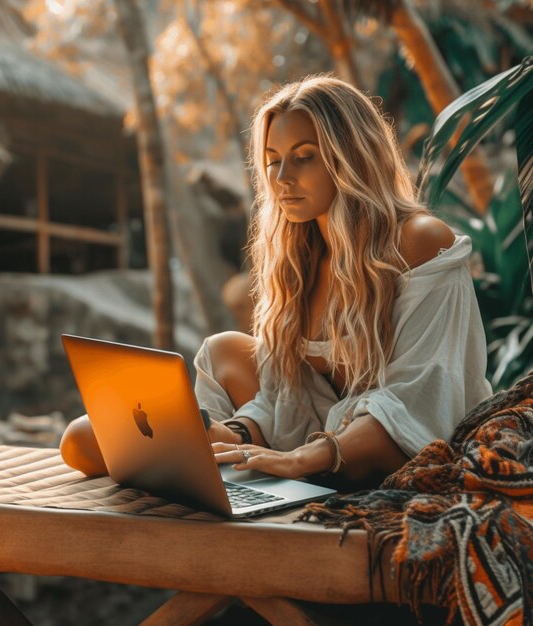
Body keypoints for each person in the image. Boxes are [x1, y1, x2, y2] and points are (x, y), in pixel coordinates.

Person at [59, 74, 492, 487]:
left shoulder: (419, 242)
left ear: (353, 157)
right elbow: (284, 393)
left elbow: (424, 399)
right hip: (312, 428)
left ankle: (219, 469)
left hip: (393, 441)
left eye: (304, 157)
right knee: (84, 440)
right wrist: (240, 435)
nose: (282, 178)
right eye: (272, 161)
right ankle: (201, 467)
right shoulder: (299, 256)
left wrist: (302, 459)